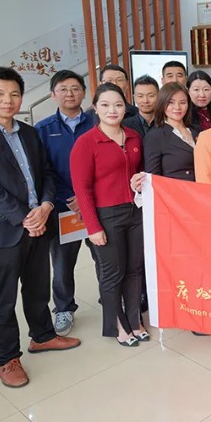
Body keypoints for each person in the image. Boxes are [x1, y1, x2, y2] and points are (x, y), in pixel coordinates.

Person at [0, 67, 81, 388]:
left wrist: (47, 205)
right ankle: (7, 359)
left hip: (39, 222)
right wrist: (26, 216)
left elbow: (47, 173)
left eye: (14, 94)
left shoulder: (28, 132)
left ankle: (43, 336)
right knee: (4, 298)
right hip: (3, 231)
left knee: (37, 287)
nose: (7, 101)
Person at [70, 82, 148, 347]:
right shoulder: (86, 143)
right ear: (95, 108)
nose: (112, 110)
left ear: (125, 107)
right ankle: (117, 324)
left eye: (118, 104)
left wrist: (139, 180)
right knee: (113, 272)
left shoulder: (134, 137)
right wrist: (93, 228)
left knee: (135, 269)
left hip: (135, 211)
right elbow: (82, 190)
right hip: (106, 215)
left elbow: (140, 172)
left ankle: (134, 320)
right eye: (105, 105)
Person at [34, 69, 96, 336]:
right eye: (63, 89)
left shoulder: (98, 122)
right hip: (62, 208)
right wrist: (67, 199)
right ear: (53, 95)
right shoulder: (42, 130)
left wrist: (86, 197)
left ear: (84, 93)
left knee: (105, 258)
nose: (70, 94)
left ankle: (112, 300)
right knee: (61, 265)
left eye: (75, 88)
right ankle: (63, 308)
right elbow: (43, 171)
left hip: (96, 204)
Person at [144, 83, 199, 181]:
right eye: (171, 102)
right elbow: (153, 178)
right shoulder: (155, 136)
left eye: (182, 102)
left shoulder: (197, 130)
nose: (177, 107)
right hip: (176, 189)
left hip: (202, 187)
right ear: (162, 104)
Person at [123, 75, 158, 139]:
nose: (145, 101)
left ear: (159, 96)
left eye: (150, 96)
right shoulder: (125, 125)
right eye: (140, 96)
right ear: (134, 98)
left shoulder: (166, 122)